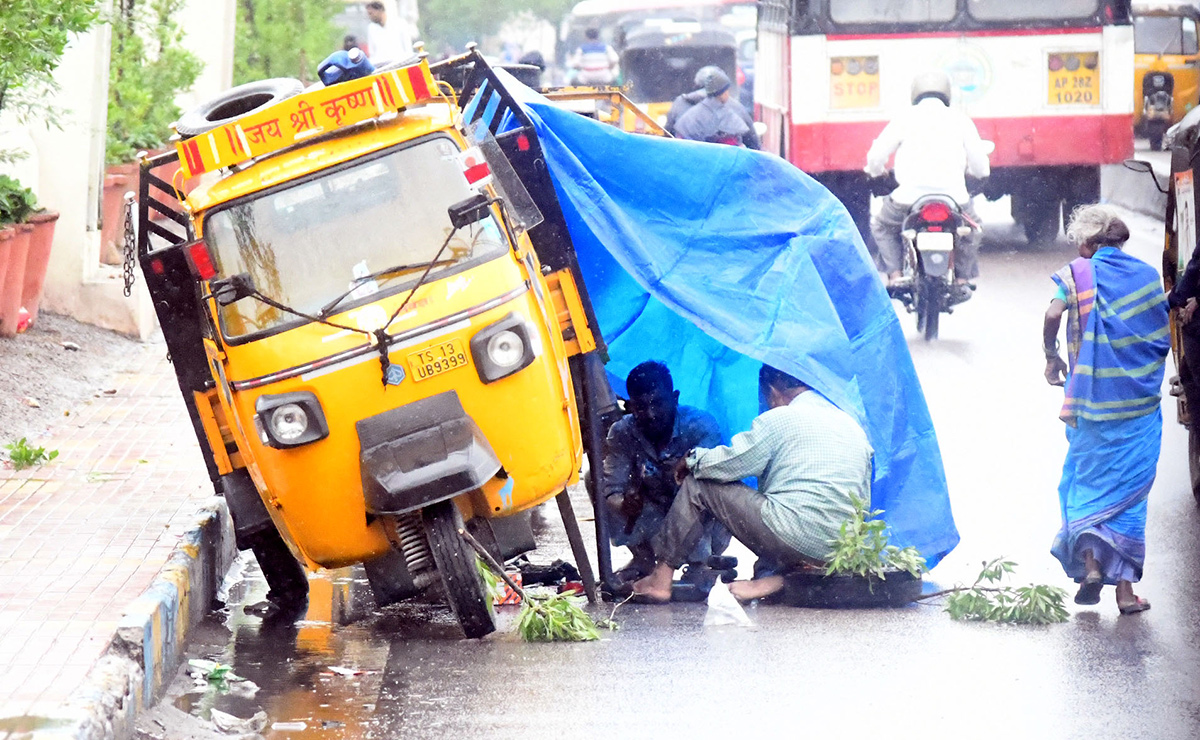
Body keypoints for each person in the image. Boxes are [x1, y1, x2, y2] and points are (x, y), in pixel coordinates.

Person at [633, 365, 874, 603]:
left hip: (795, 534)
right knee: (780, 505)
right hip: (842, 548)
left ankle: (660, 579)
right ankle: (780, 580)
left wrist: (693, 459)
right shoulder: (851, 425)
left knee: (700, 483)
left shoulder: (779, 418)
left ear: (773, 390)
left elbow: (732, 462)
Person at [1043, 205, 1169, 616]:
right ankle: (1127, 595)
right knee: (1131, 497)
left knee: (1087, 484)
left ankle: (1093, 566)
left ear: (1088, 243)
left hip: (1091, 403)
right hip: (1137, 405)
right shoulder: (1147, 277)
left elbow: (1052, 313)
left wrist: (1051, 356)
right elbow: (1158, 334)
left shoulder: (1077, 275)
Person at [866, 69, 990, 295]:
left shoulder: (903, 119)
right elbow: (981, 167)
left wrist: (876, 173)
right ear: (946, 94)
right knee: (972, 229)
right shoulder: (961, 120)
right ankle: (962, 279)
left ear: (915, 93)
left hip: (908, 198)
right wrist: (977, 176)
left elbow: (875, 158)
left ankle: (894, 276)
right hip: (954, 199)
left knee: (882, 225)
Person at [603, 361, 729, 584]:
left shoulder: (700, 426)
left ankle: (703, 562)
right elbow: (611, 488)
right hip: (654, 514)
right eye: (641, 407)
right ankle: (644, 560)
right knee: (593, 480)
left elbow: (714, 486)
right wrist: (624, 504)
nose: (651, 414)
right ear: (630, 407)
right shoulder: (622, 433)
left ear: (675, 398)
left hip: (701, 520)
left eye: (658, 403)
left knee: (710, 486)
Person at [666, 66, 760, 150]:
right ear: (723, 91)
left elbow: (668, 135)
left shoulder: (681, 103)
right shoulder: (734, 107)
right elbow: (752, 141)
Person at [365, 0, 412, 67]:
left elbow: (408, 49)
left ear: (380, 10)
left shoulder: (400, 24)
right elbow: (372, 53)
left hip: (400, 64)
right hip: (381, 67)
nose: (370, 17)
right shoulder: (371, 28)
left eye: (371, 13)